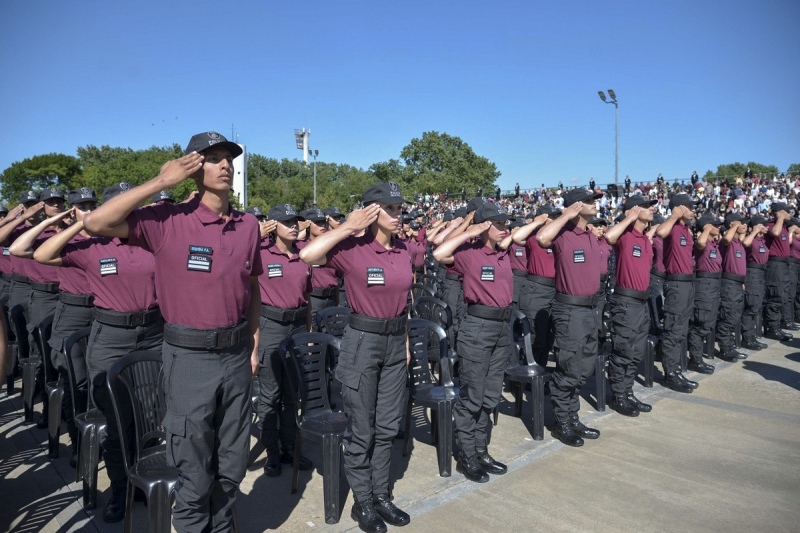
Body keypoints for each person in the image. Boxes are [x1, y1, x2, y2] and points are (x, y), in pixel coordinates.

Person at [83, 132, 262, 532]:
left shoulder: (248, 225)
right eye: (213, 159)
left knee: (231, 464)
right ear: (194, 168)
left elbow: (252, 287)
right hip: (189, 359)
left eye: (228, 159)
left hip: (235, 357)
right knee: (194, 471)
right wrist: (161, 182)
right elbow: (96, 222)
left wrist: (253, 345)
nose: (225, 165)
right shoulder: (168, 221)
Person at [36, 181, 162, 522]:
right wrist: (82, 220)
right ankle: (121, 489)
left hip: (153, 333)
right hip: (110, 337)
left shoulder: (151, 238)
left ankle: (144, 482)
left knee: (149, 415)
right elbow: (38, 254)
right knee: (116, 418)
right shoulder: (92, 244)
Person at [299, 182, 412, 533]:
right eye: (389, 209)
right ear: (373, 211)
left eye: (399, 208)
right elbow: (308, 255)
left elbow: (406, 301)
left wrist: (406, 342)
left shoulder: (403, 249)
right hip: (363, 340)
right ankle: (363, 502)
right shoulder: (353, 248)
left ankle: (381, 495)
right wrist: (349, 226)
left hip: (395, 342)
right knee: (362, 428)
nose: (397, 214)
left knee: (387, 426)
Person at [433, 201, 511, 483]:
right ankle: (467, 456)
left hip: (502, 327)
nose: (505, 228)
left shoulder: (503, 252)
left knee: (490, 396)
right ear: (485, 226)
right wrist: (471, 230)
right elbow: (440, 252)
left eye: (505, 223)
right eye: (499, 224)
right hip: (477, 326)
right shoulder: (468, 253)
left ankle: (481, 450)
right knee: (472, 398)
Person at [536, 188, 604, 447]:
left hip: (590, 309)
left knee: (584, 367)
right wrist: (565, 216)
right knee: (569, 367)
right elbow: (542, 238)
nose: (593, 204)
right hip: (570, 310)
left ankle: (571, 416)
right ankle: (562, 421)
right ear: (575, 206)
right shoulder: (563, 233)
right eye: (587, 201)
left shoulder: (589, 234)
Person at [254, 203, 314, 477]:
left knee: (293, 394)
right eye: (287, 221)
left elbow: (309, 298)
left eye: (296, 222)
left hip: (298, 326)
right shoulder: (261, 254)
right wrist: (254, 346)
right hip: (271, 326)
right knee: (270, 394)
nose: (294, 226)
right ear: (272, 225)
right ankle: (272, 452)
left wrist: (309, 334)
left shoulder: (305, 255)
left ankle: (291, 447)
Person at [603, 196, 657, 416]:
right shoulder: (624, 235)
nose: (651, 209)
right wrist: (628, 218)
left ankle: (628, 391)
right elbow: (608, 236)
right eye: (645, 207)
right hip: (626, 301)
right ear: (633, 211)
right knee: (623, 350)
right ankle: (618, 396)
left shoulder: (645, 238)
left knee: (636, 352)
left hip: (642, 300)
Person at [656, 194, 701, 393]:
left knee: (681, 329)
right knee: (673, 330)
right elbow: (660, 232)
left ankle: (676, 370)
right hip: (675, 284)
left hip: (687, 283)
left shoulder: (685, 229)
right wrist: (674, 215)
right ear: (680, 208)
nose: (693, 211)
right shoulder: (672, 226)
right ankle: (670, 374)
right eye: (690, 207)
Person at [510, 206, 559, 366]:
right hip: (536, 289)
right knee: (535, 337)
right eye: (552, 217)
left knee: (548, 338)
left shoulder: (560, 237)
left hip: (556, 290)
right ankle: (529, 374)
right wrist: (536, 223)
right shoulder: (534, 236)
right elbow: (517, 236)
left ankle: (540, 372)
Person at [686, 213, 722, 373]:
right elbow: (700, 241)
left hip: (714, 284)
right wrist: (706, 229)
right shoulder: (703, 242)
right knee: (700, 323)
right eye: (714, 225)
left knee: (707, 322)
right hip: (704, 285)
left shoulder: (713, 243)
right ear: (707, 226)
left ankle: (698, 357)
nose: (718, 227)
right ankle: (695, 359)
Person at [299, 208, 339, 315]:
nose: (322, 226)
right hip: (314, 298)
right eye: (318, 223)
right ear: (308, 225)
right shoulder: (301, 246)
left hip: (332, 298)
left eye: (324, 222)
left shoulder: (332, 245)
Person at [763, 202, 793, 340]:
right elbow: (775, 232)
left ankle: (777, 326)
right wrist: (780, 217)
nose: (789, 214)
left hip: (784, 264)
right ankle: (772, 328)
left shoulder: (785, 227)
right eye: (787, 211)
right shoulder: (772, 225)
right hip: (775, 264)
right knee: (776, 296)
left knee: (783, 296)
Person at [741, 216, 769, 350]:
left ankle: (752, 337)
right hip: (752, 272)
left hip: (761, 273)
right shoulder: (751, 239)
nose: (767, 227)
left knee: (756, 307)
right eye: (764, 225)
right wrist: (754, 231)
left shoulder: (762, 240)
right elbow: (745, 243)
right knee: (751, 306)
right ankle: (747, 338)